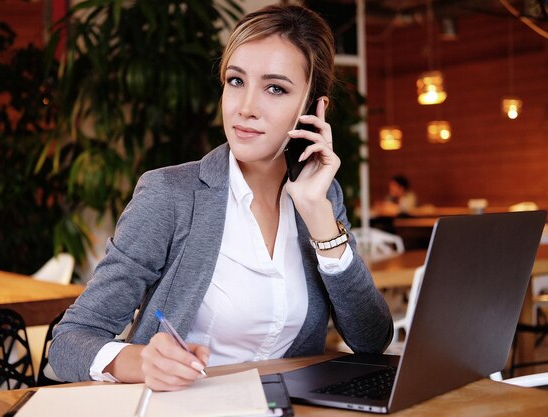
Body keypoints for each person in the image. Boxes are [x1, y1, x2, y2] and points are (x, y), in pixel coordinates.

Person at [48, 4, 392, 391]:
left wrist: (317, 214)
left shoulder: (321, 196)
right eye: (235, 81)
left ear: (314, 107)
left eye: (275, 88)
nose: (245, 108)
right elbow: (68, 342)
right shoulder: (170, 194)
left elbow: (371, 340)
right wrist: (141, 361)